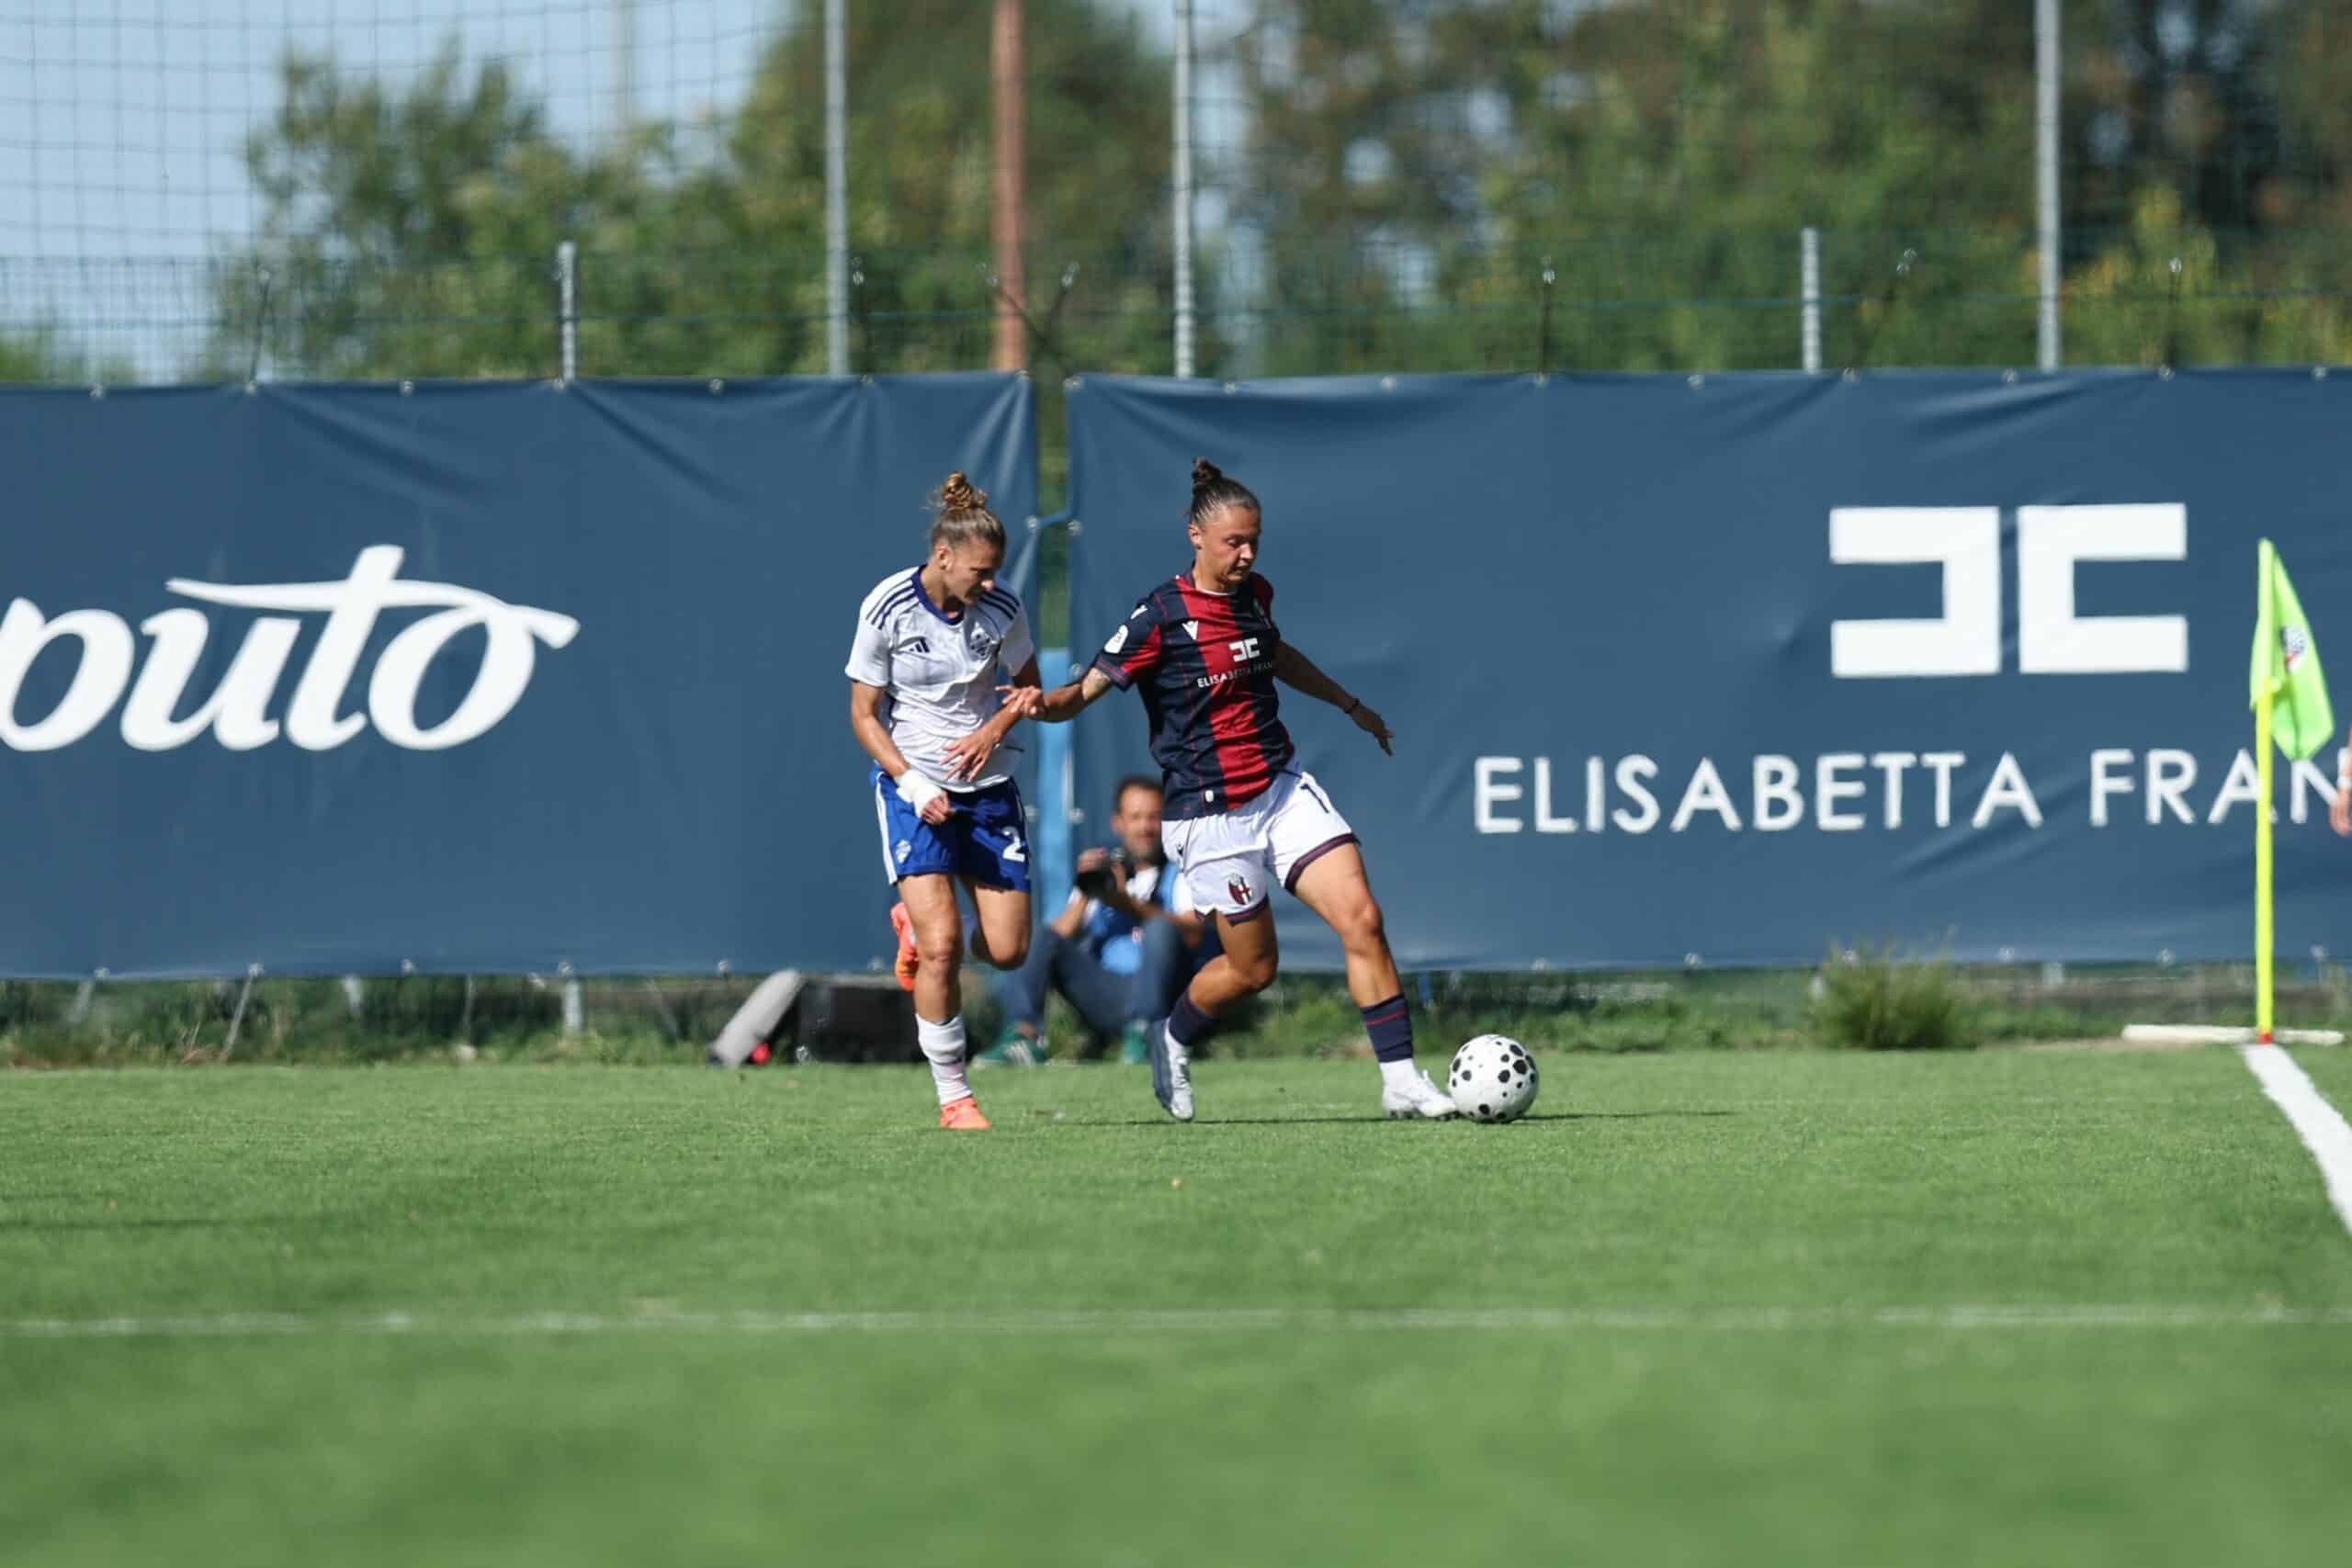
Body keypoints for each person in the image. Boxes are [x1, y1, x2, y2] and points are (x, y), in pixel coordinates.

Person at [1025, 457, 1459, 1122]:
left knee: (1363, 919)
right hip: (1208, 815)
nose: (1247, 553)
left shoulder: (1256, 595)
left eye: (1254, 540)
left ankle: (1399, 1078)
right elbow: (1080, 692)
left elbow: (1276, 654)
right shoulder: (1158, 617)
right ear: (1195, 535)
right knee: (1254, 970)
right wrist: (1039, 705)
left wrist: (1349, 704)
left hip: (1281, 791)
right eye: (1234, 542)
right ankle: (1171, 1037)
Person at [846, 472, 1042, 1130]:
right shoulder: (887, 606)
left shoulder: (1003, 608)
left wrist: (994, 727)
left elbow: (1030, 689)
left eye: (996, 572)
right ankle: (954, 1097)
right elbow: (864, 714)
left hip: (988, 790)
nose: (988, 583)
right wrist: (911, 780)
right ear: (943, 556)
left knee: (1009, 948)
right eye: (979, 572)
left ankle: (916, 927)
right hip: (915, 788)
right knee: (943, 945)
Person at [978, 774, 1219, 1066]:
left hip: (1168, 996)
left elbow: (1194, 934)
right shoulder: (1106, 875)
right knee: (1037, 935)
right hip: (1107, 993)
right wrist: (1086, 891)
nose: (1145, 828)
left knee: (1160, 927)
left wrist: (1127, 904)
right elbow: (1054, 940)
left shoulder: (1181, 870)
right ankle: (1022, 1037)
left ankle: (1146, 1035)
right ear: (1118, 823)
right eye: (1136, 818)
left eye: (1154, 818)